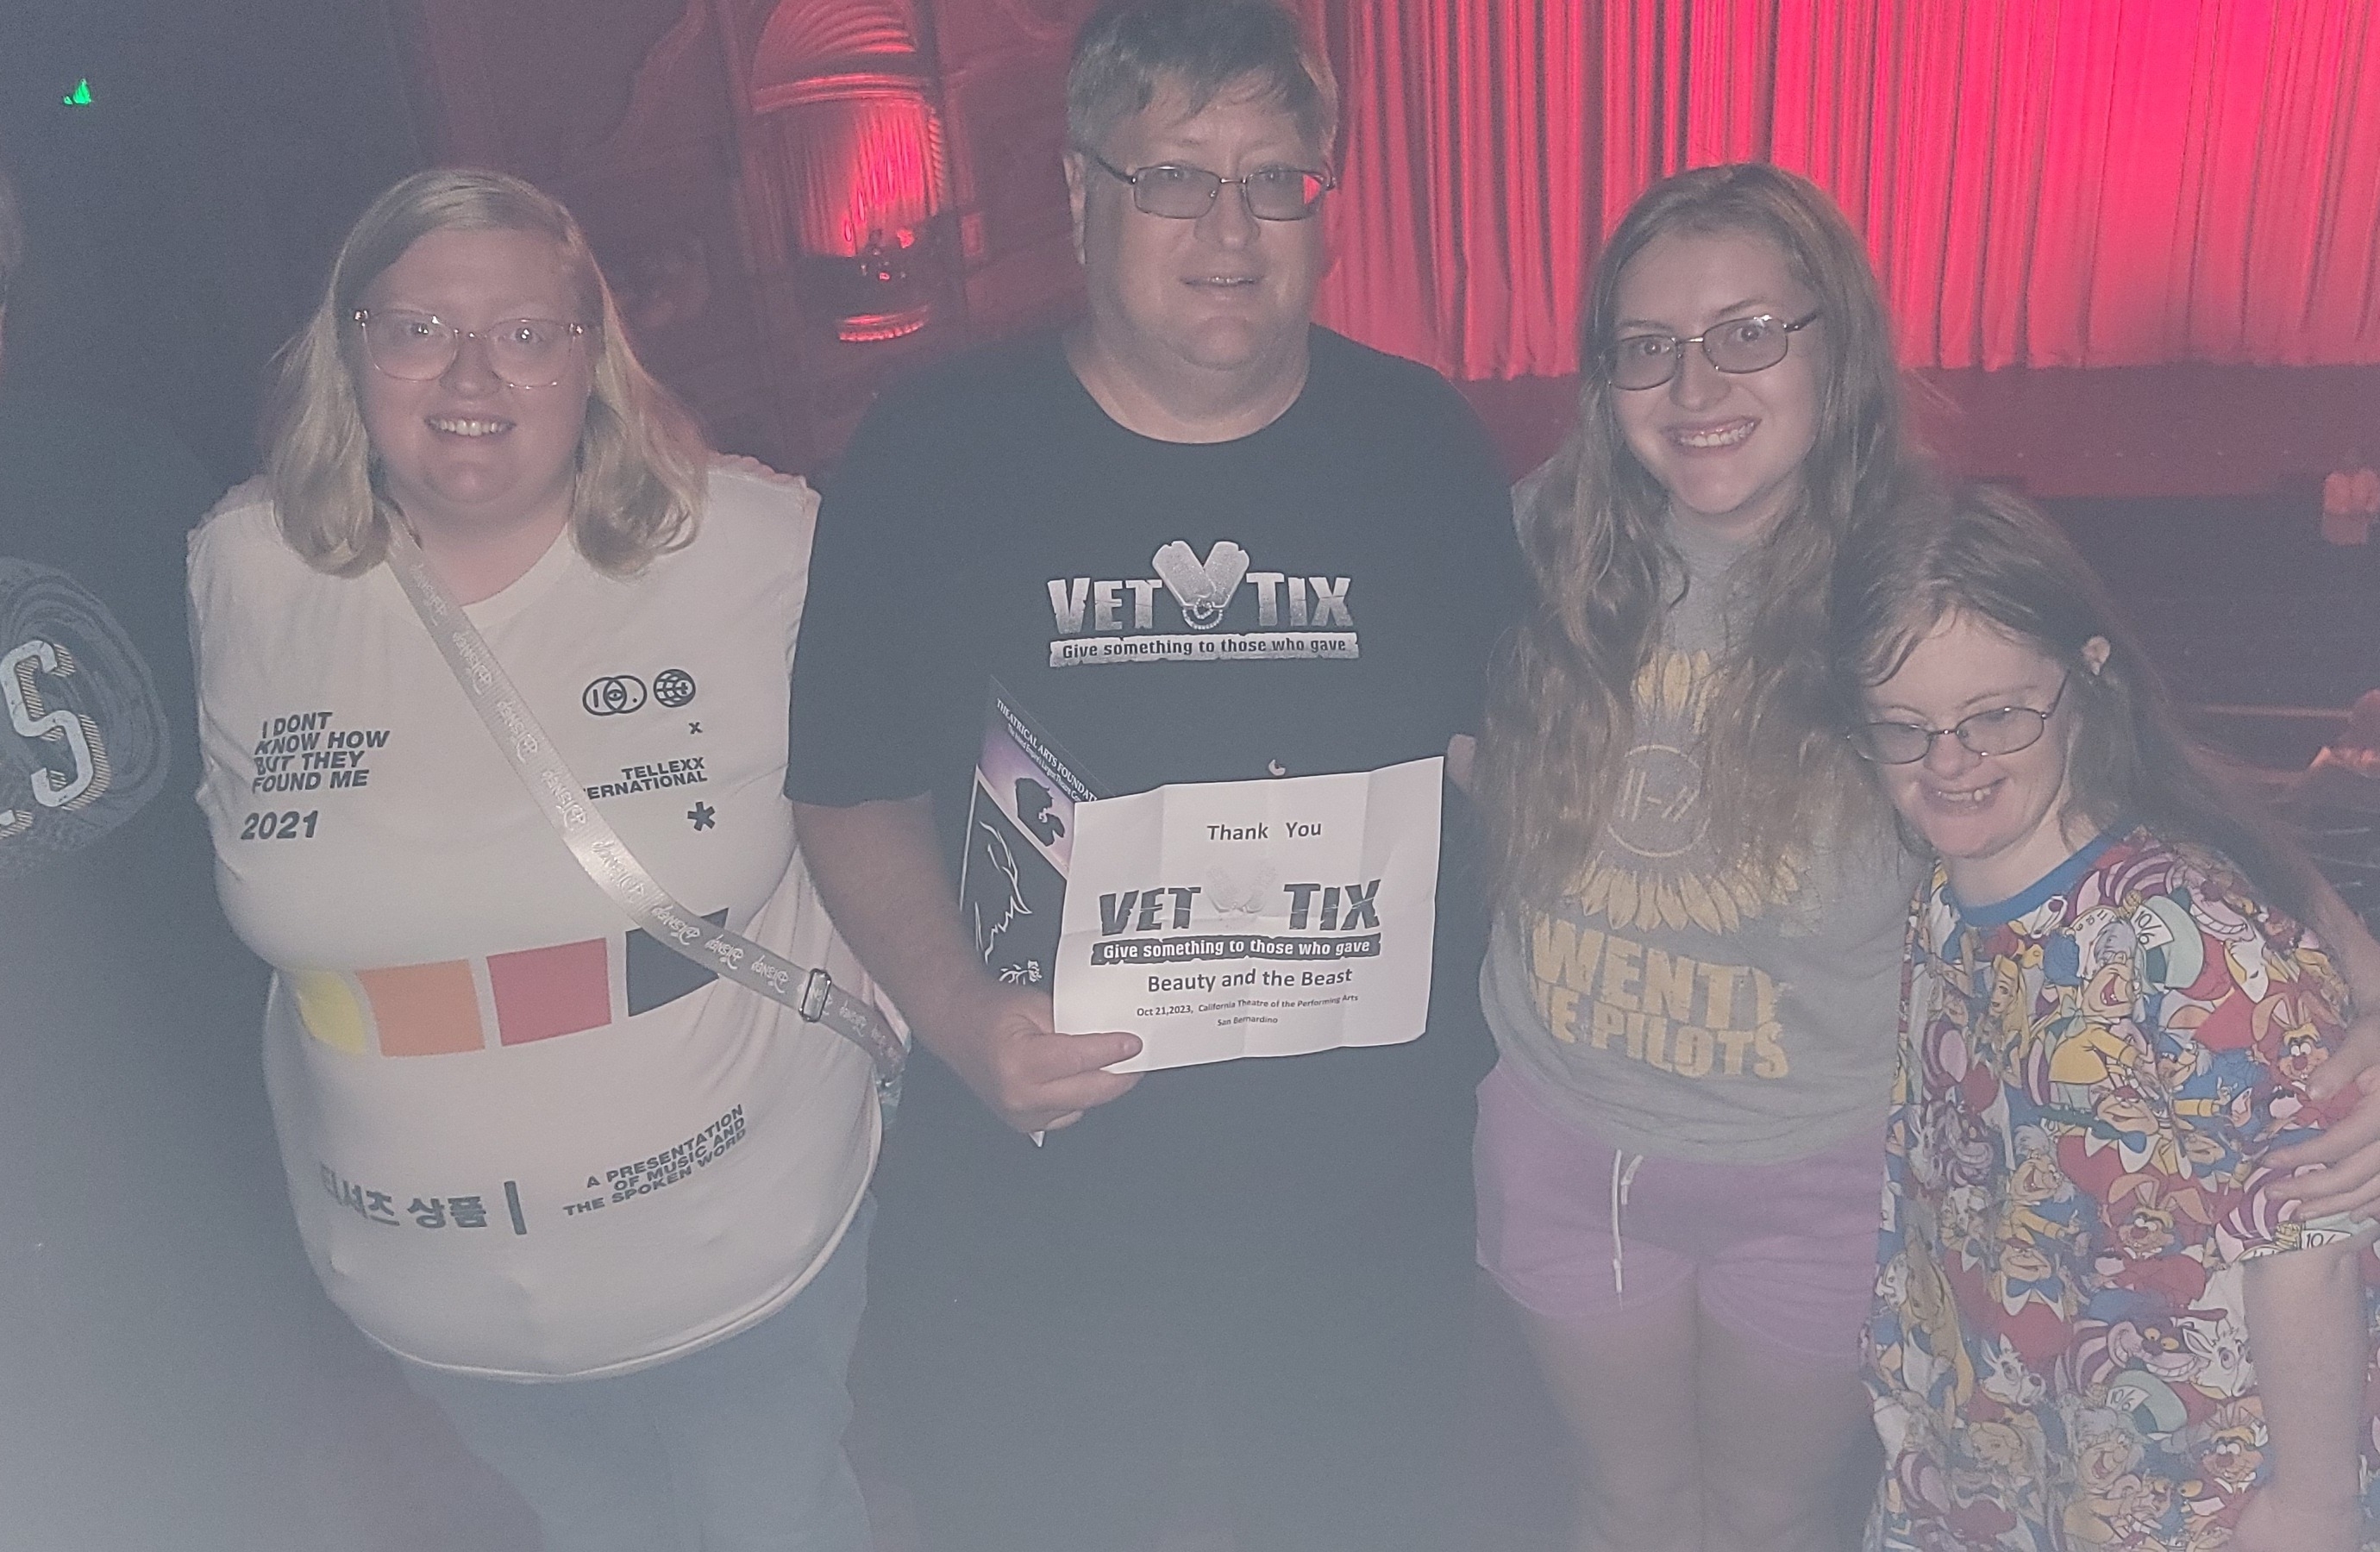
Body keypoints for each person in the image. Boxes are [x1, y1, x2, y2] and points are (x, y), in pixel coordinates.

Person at [1471, 161, 2380, 1552]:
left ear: (1834, 338)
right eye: (1647, 345)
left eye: (1748, 332)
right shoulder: (1537, 538)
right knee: (1624, 1502)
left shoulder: (1918, 567)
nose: (1697, 383)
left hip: (1823, 1166)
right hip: (1569, 1137)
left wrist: (2359, 980)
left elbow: (2144, 773)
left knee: (1770, 1513)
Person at [782, 2, 1520, 1548]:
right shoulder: (931, 455)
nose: (1230, 231)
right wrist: (962, 1017)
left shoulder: (1424, 448)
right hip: (1040, 1204)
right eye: (1176, 176)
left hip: (1357, 1201)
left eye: (1276, 180)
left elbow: (1506, 763)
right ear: (1080, 191)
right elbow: (848, 786)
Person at [189, 168, 885, 1552]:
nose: (471, 375)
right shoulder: (244, 568)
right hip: (431, 1305)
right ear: (348, 352)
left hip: (740, 1261)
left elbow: (905, 787)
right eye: (415, 329)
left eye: (523, 333)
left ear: (592, 355)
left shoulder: (754, 543)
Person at [1839, 482, 2380, 1552]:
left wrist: (2316, 1505)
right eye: (1903, 727)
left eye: (1997, 717)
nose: (1949, 763)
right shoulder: (1945, 895)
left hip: (2185, 1492)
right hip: (1997, 1440)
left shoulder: (2188, 945)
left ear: (2087, 676)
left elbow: (2309, 1241)